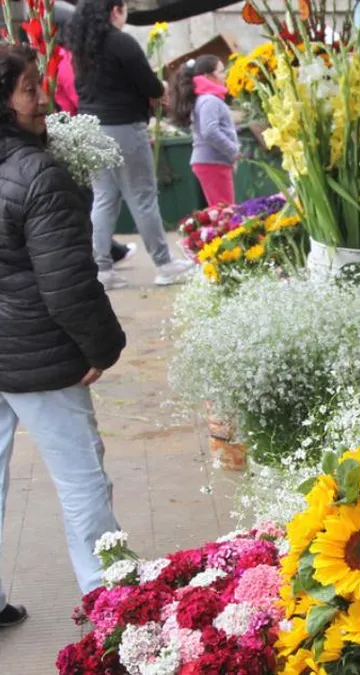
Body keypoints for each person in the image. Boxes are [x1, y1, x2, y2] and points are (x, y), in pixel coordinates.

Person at [0, 44, 126, 629]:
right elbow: (68, 282)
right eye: (29, 88)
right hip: (40, 356)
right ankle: (114, 610)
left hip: (20, 348)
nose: (44, 99)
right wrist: (102, 346)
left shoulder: (34, 169)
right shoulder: (39, 173)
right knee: (82, 483)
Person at [64, 0, 192, 291]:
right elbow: (149, 84)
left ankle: (102, 269)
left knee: (104, 198)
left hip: (91, 127)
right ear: (115, 10)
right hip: (123, 126)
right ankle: (164, 265)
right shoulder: (121, 42)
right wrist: (161, 89)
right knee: (143, 196)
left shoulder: (82, 47)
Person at [53, 44, 138, 267]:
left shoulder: (62, 56)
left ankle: (105, 251)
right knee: (93, 195)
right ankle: (104, 252)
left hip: (73, 127)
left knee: (95, 195)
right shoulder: (63, 58)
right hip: (76, 128)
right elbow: (77, 93)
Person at [168, 55, 239, 207]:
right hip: (213, 162)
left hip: (212, 162)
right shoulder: (209, 100)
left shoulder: (205, 99)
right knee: (226, 210)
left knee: (221, 209)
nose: (225, 76)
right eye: (221, 72)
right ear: (207, 76)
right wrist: (233, 150)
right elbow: (210, 131)